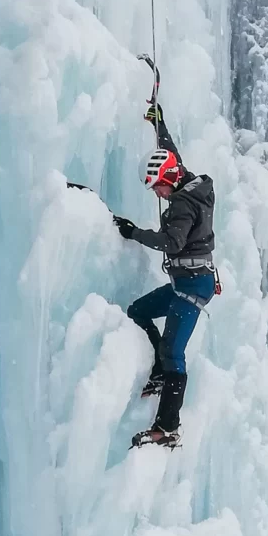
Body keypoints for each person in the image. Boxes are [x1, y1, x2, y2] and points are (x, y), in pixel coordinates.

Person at [113, 101, 217, 448]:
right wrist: (160, 122)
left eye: (157, 186)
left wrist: (133, 233)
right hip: (183, 284)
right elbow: (170, 153)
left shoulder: (184, 207)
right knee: (138, 311)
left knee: (175, 353)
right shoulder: (189, 183)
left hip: (192, 289)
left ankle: (167, 427)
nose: (156, 192)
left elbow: (172, 243)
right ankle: (159, 372)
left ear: (170, 180)